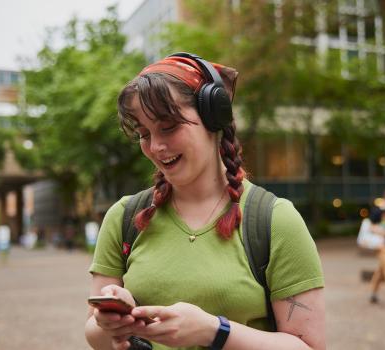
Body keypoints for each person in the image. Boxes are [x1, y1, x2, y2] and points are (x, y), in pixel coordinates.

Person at [85, 53, 325, 350]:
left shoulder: (275, 220)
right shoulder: (124, 217)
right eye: (143, 134)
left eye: (169, 126)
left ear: (214, 118)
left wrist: (216, 331)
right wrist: (111, 324)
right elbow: (94, 336)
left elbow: (309, 346)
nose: (156, 147)